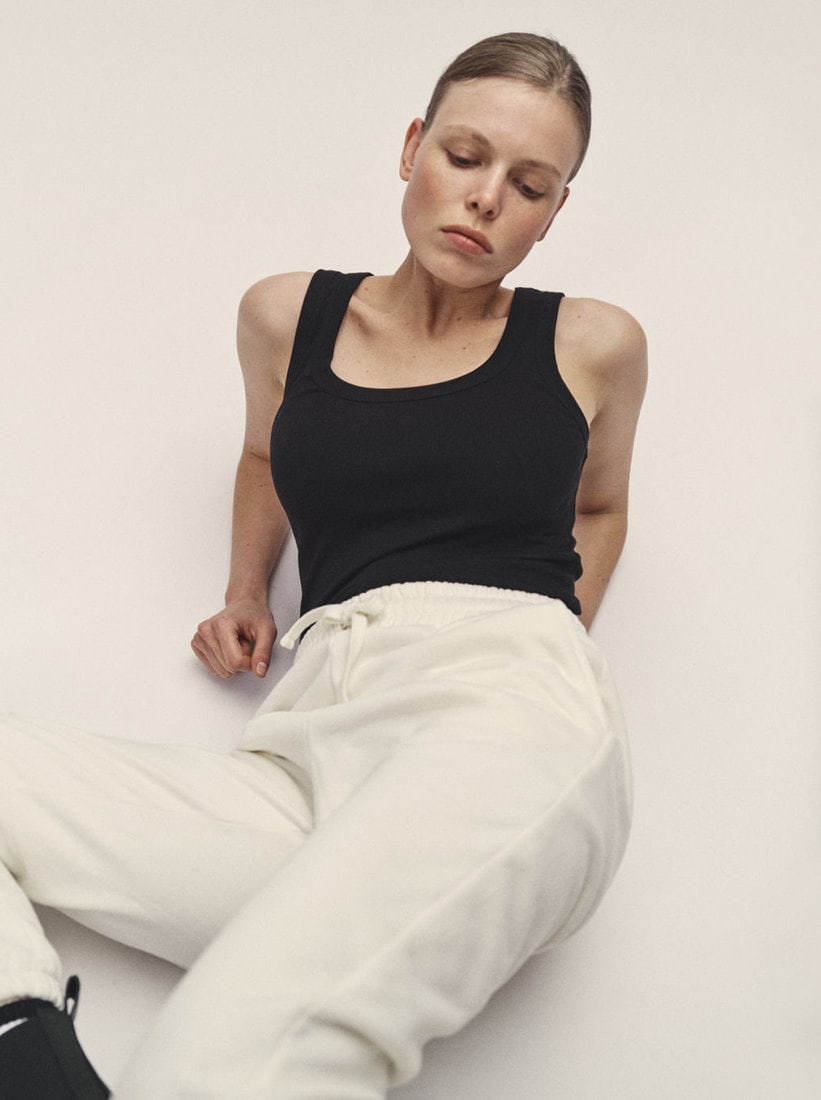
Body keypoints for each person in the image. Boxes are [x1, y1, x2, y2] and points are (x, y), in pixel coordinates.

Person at [0, 31, 647, 1099]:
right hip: (311, 742)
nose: (486, 197)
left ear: (552, 212)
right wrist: (245, 590)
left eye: (529, 185)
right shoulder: (285, 315)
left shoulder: (591, 343)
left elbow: (602, 505)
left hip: (502, 716)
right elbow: (264, 452)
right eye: (464, 155)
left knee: (225, 1056)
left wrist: (542, 640)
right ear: (411, 147)